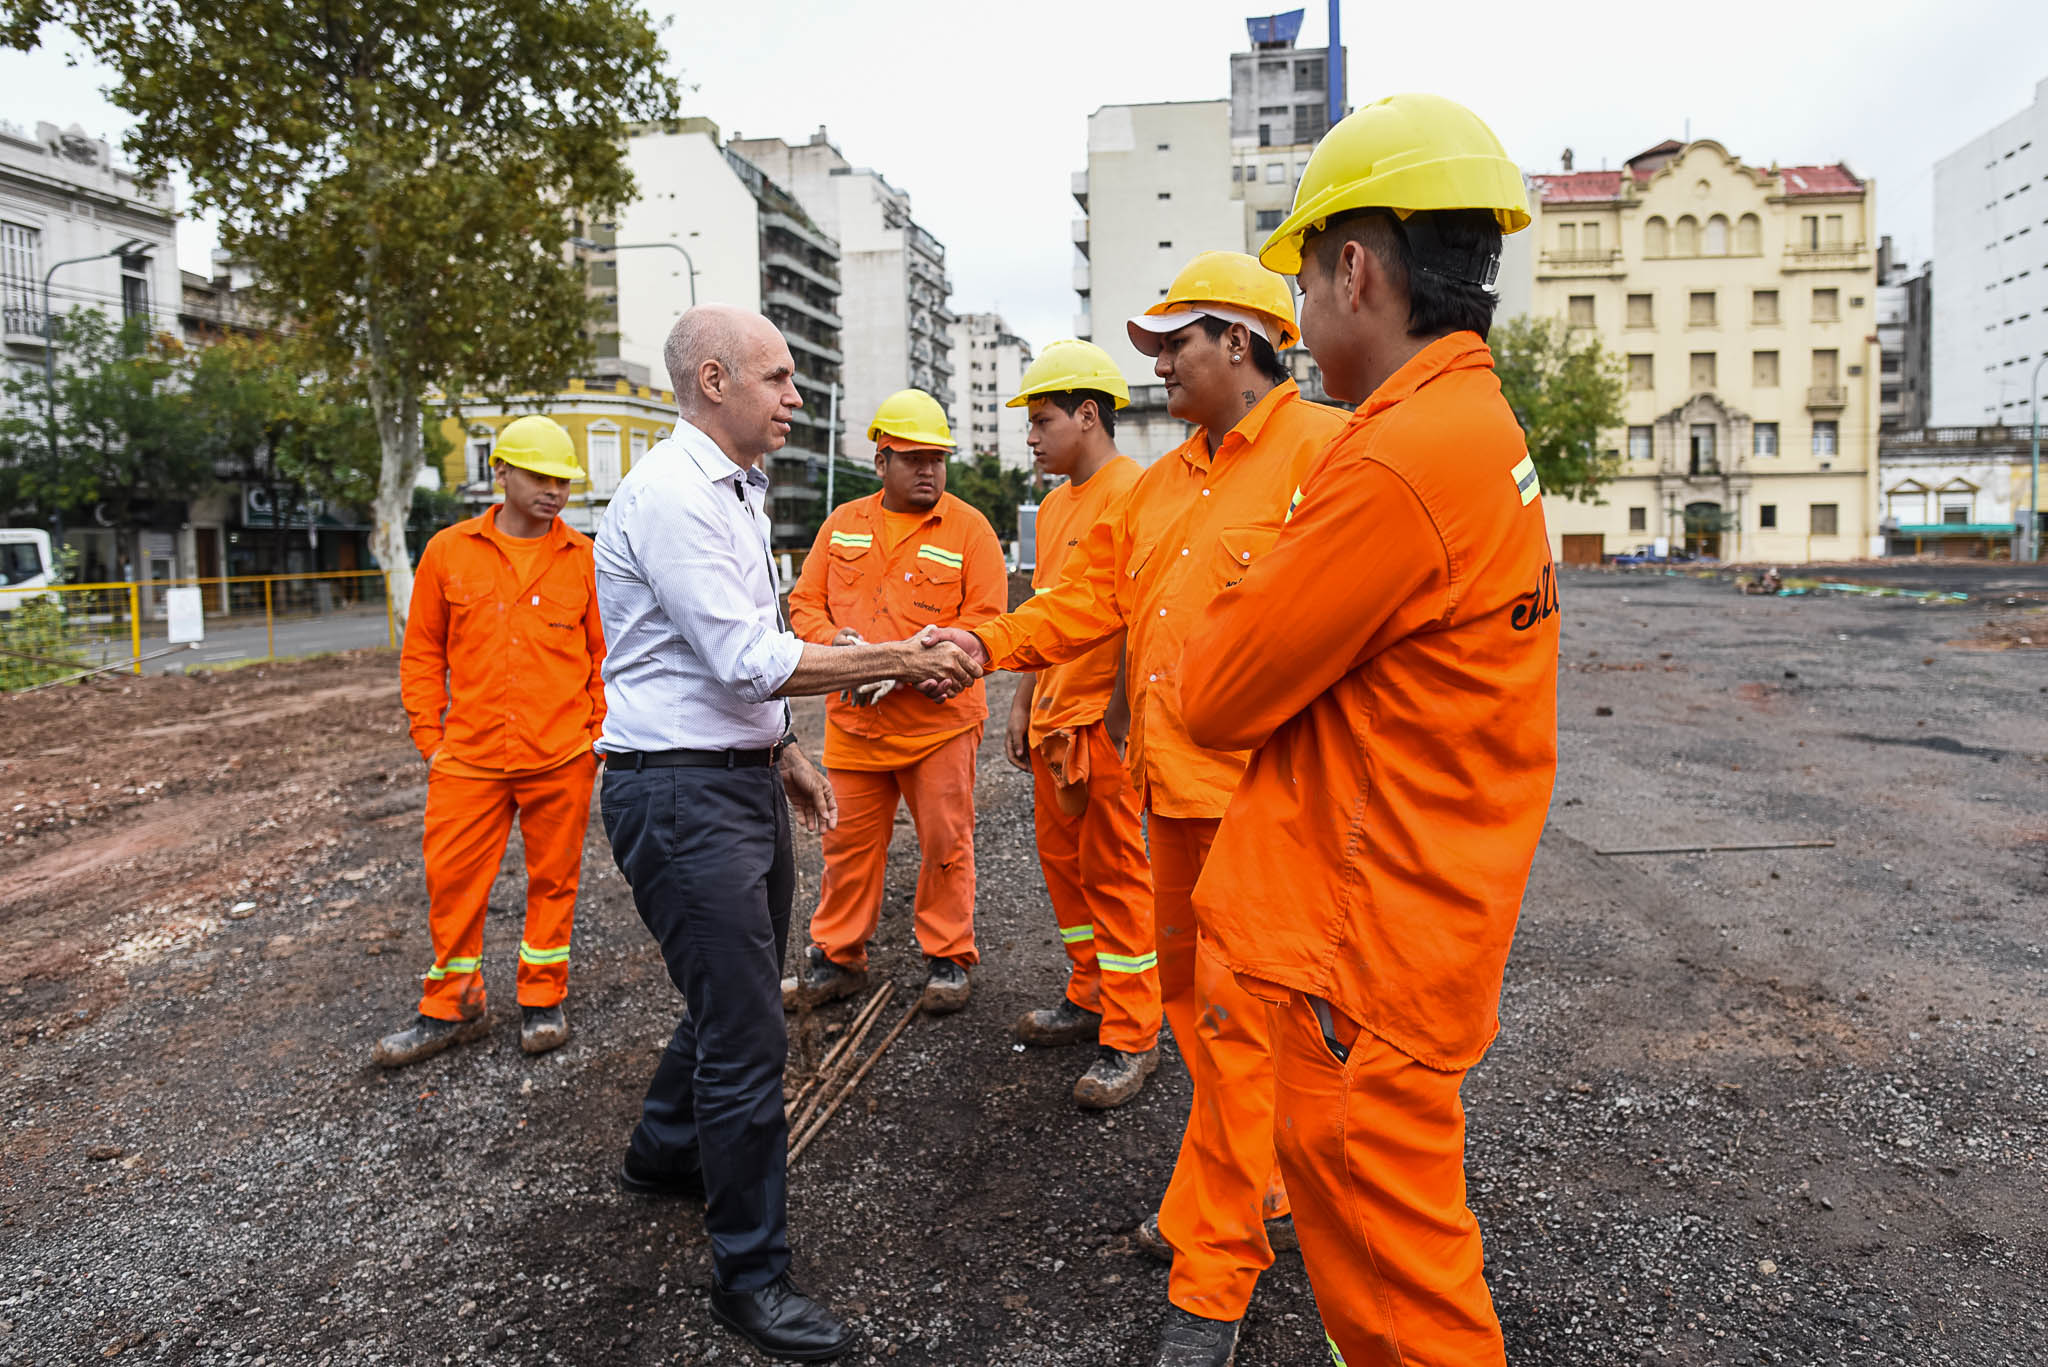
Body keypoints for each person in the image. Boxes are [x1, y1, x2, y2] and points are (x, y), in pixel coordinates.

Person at [1177, 93, 1558, 1367]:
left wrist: (1254, 581)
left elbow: (1217, 691)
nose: (1300, 319)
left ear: (1355, 266)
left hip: (1359, 953)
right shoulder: (1475, 428)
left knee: (1404, 1307)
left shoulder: (1395, 455)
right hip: (1417, 916)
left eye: (1304, 278)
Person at [930, 253, 1347, 1367]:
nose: (1156, 363)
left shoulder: (1328, 457)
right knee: (1185, 1003)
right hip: (1168, 794)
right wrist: (981, 643)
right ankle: (1249, 1180)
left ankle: (1212, 1273)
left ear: (1244, 342)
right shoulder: (1162, 488)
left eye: (1176, 343)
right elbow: (1081, 606)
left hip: (1270, 807)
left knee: (1237, 1019)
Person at [594, 305, 981, 1363]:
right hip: (677, 794)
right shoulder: (675, 496)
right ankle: (749, 1280)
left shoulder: (733, 490)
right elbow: (745, 660)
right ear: (712, 379)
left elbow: (739, 660)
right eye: (777, 378)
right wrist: (901, 656)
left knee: (737, 993)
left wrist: (782, 756)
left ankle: (664, 1150)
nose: (796, 397)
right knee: (745, 1035)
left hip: (729, 778)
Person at [380, 415, 604, 1067]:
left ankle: (543, 997)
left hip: (560, 756)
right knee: (451, 881)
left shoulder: (584, 559)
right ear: (499, 471)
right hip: (468, 759)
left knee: (553, 880)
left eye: (562, 480)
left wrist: (595, 735)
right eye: (539, 476)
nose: (554, 490)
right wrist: (432, 738)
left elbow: (604, 657)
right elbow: (421, 652)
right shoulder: (448, 552)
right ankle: (453, 1005)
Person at [783, 389, 1007, 1015]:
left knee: (945, 844)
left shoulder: (970, 529)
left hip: (938, 726)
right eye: (912, 458)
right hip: (855, 726)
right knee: (846, 846)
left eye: (936, 457)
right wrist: (838, 646)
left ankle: (948, 955)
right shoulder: (842, 524)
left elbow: (988, 623)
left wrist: (922, 669)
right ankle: (837, 955)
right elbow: (804, 606)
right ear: (880, 461)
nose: (928, 469)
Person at [998, 340, 1159, 1109]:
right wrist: (1023, 702)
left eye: (1041, 420)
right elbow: (1044, 616)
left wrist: (1124, 714)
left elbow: (1138, 615)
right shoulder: (1056, 503)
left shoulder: (1138, 492)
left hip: (1103, 725)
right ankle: (1089, 994)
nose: (1030, 437)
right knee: (1066, 873)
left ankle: (1132, 1033)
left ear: (1087, 415)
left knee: (1119, 878)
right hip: (1054, 723)